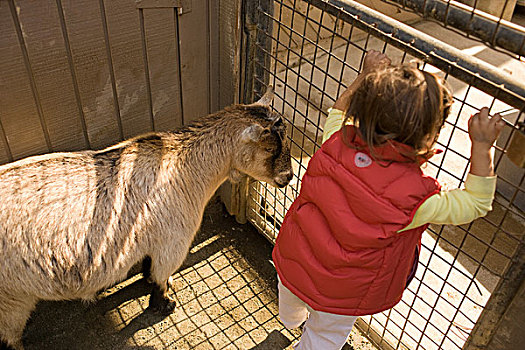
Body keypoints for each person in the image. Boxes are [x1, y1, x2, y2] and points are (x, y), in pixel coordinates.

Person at [272, 50, 505, 350]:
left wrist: (364, 76)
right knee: (324, 337)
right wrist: (483, 145)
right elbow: (476, 203)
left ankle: (290, 321)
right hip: (342, 294)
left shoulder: (336, 141)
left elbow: (337, 114)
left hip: (295, 260)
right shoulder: (416, 199)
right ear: (429, 137)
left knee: (290, 294)